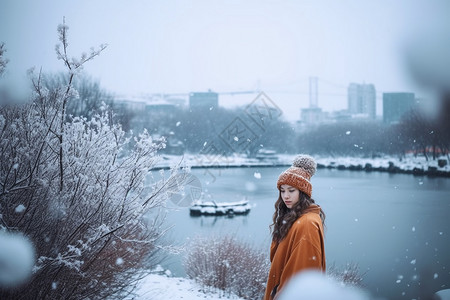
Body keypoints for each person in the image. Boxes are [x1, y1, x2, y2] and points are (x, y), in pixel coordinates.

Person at [264, 154, 326, 300]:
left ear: (303, 193)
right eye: (282, 190)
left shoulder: (306, 224)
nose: (285, 196)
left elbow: (302, 278)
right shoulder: (293, 219)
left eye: (291, 191)